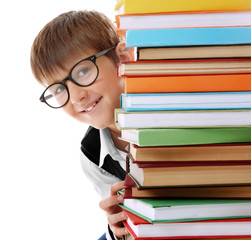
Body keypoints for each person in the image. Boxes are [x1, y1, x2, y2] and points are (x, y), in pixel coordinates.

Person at [30, 10, 134, 240]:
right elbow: (118, 217)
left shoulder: (167, 104)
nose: (76, 96)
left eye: (83, 71)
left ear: (122, 57)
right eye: (59, 89)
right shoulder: (92, 155)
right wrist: (116, 227)